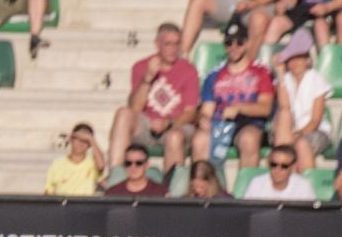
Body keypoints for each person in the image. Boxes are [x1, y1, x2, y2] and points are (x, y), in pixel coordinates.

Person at [109, 21, 201, 173]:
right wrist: (148, 78)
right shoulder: (141, 66)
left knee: (175, 137)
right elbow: (135, 108)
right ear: (157, 44)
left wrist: (169, 123)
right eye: (168, 44)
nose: (173, 49)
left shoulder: (189, 70)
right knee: (123, 113)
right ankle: (116, 174)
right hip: (147, 125)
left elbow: (191, 112)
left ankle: (171, 187)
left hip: (175, 125)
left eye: (177, 44)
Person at [199, 18, 275, 167]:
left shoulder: (261, 72)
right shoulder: (214, 75)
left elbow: (265, 108)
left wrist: (239, 108)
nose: (234, 47)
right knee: (199, 139)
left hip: (249, 123)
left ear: (247, 44)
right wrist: (204, 119)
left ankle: (245, 188)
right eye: (229, 43)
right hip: (220, 123)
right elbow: (207, 110)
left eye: (239, 43)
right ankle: (204, 187)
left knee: (249, 139)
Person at [271, 34, 333, 166]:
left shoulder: (316, 79)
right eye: (291, 59)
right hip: (286, 131)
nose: (294, 63)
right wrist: (280, 75)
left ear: (307, 60)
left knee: (301, 144)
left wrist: (297, 135)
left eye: (299, 58)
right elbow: (284, 107)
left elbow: (315, 121)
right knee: (284, 116)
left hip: (313, 131)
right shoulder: (285, 79)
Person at [44, 120, 104, 193]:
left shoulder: (93, 163)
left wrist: (91, 139)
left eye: (85, 140)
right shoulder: (57, 164)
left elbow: (101, 166)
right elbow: (49, 190)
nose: (81, 143)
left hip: (85, 203)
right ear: (71, 140)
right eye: (78, 139)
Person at [242, 144, 317, 197]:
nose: (277, 170)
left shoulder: (303, 186)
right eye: (273, 164)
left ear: (292, 167)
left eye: (284, 166)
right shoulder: (256, 184)